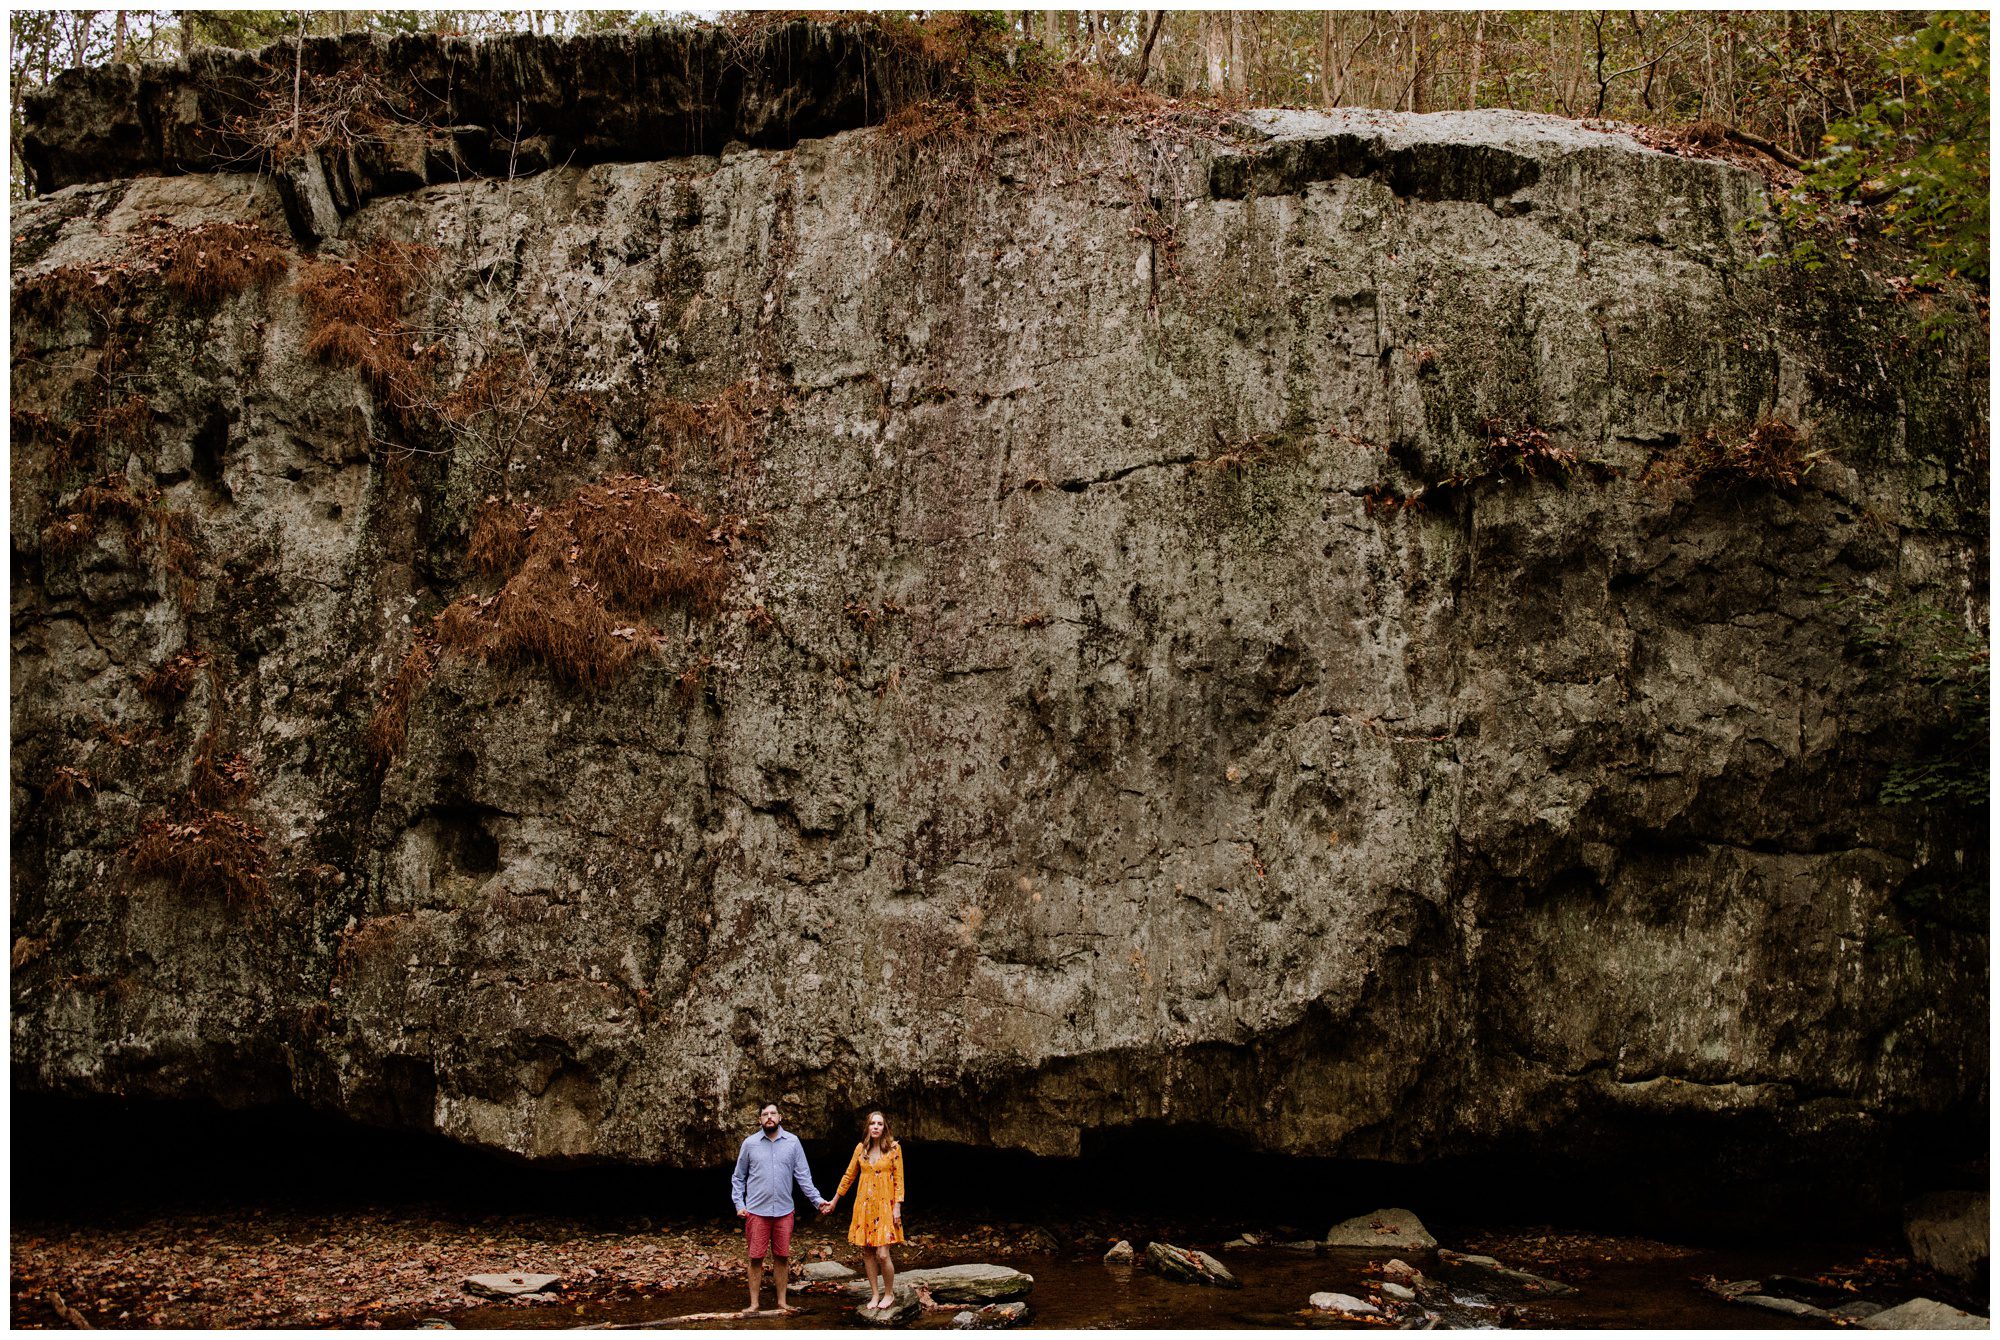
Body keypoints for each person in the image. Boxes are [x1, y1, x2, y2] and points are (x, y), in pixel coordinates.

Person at [730, 1101, 834, 1315]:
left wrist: (818, 1201)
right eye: (765, 1114)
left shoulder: (793, 1143)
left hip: (784, 1211)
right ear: (760, 1119)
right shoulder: (749, 1144)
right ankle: (754, 1304)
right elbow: (738, 1178)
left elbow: (804, 1177)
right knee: (756, 1257)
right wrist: (739, 1204)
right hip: (757, 1211)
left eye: (773, 1113)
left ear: (780, 1117)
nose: (769, 1117)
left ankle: (782, 1302)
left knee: (782, 1257)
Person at [826, 1110, 906, 1310]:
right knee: (868, 1253)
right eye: (872, 1123)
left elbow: (899, 1180)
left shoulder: (894, 1149)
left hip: (886, 1207)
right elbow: (849, 1176)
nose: (876, 1127)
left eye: (879, 1123)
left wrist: (897, 1206)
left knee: (883, 1254)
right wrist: (834, 1200)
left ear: (884, 1127)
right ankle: (875, 1295)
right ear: (868, 1127)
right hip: (864, 1206)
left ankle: (889, 1293)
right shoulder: (861, 1149)